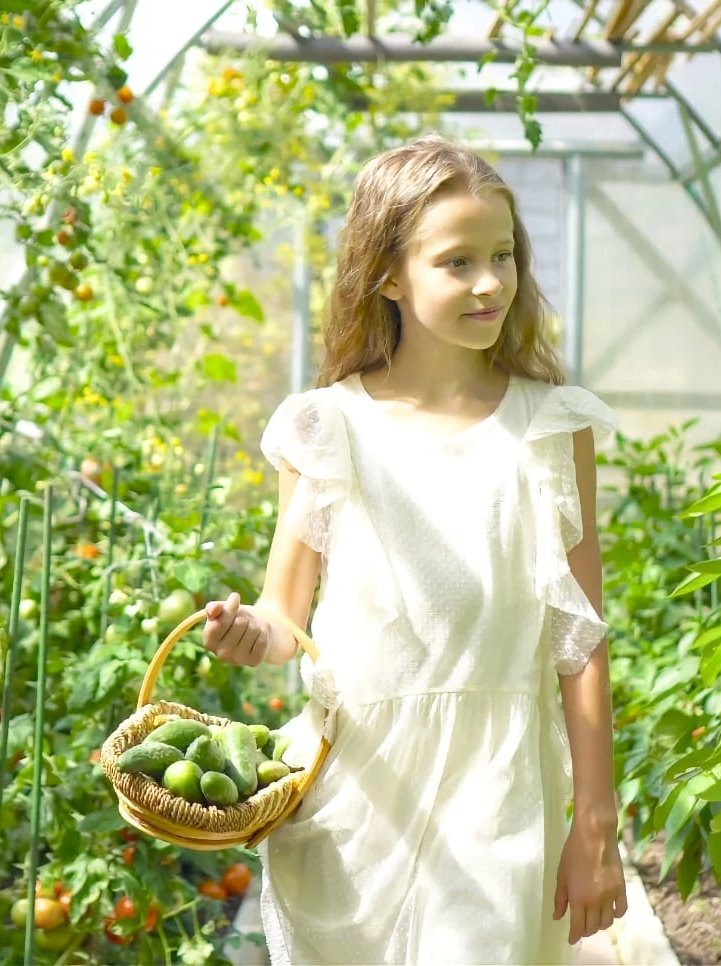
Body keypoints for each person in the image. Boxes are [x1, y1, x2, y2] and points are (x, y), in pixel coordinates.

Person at [202, 133, 627, 965]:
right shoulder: (326, 426)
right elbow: (284, 619)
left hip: (499, 792)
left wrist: (596, 823)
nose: (490, 282)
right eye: (457, 261)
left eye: (502, 255)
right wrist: (248, 633)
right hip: (355, 795)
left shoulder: (550, 427)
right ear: (389, 275)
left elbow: (580, 642)